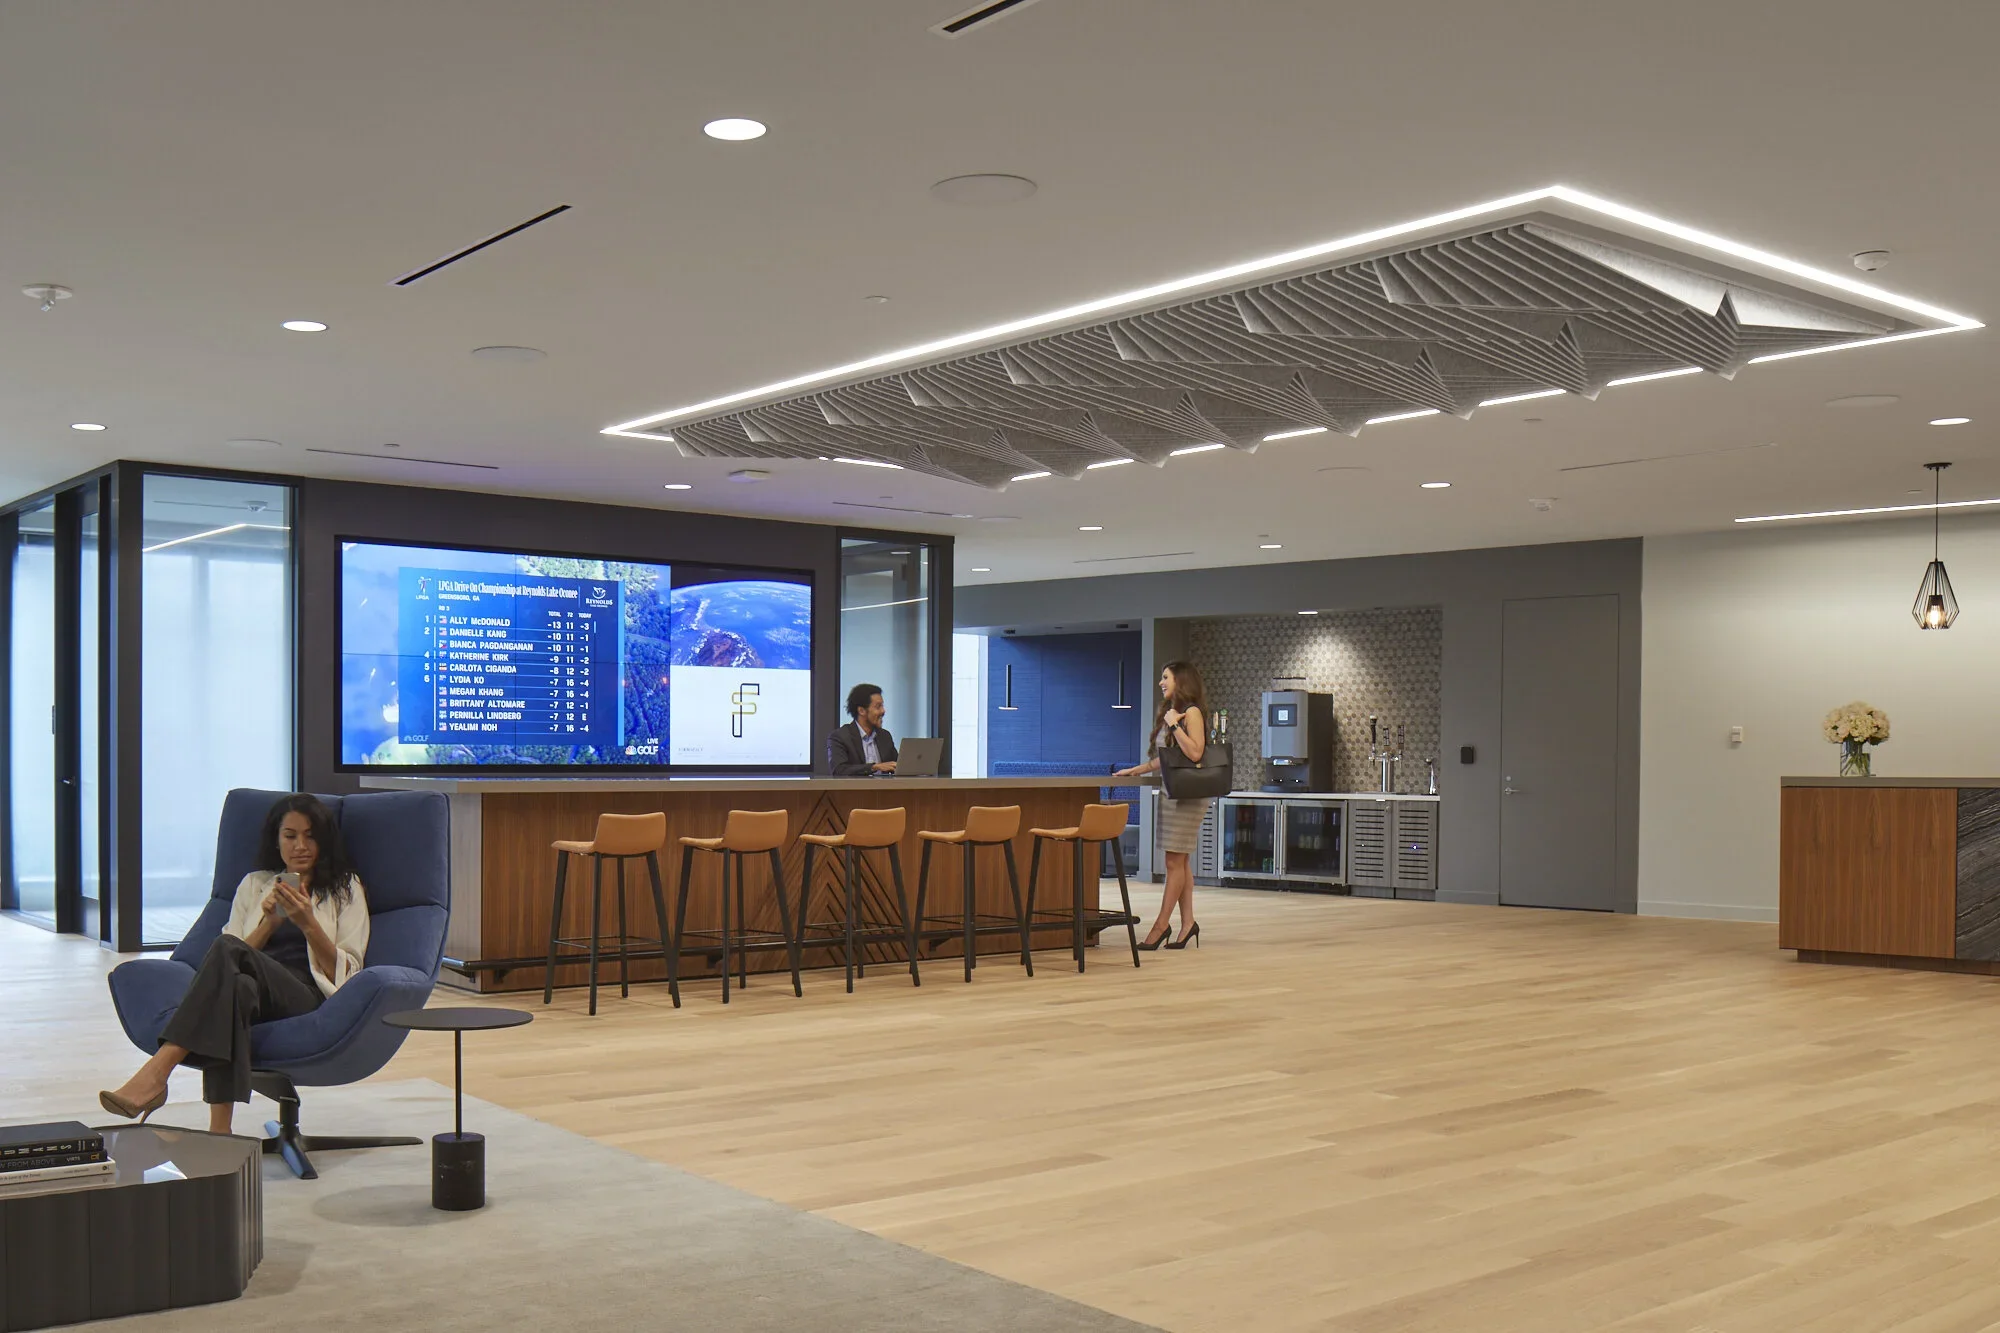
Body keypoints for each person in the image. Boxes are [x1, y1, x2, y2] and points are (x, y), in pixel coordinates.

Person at [99, 794, 370, 1134]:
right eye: (290, 836)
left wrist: (307, 923)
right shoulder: (254, 885)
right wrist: (269, 923)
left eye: (311, 835)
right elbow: (233, 956)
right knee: (237, 988)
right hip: (253, 990)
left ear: (325, 839)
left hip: (304, 994)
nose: (301, 845)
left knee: (228, 949)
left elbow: (348, 971)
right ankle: (220, 1133)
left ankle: (159, 1069)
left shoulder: (346, 888)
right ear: (277, 840)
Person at [1115, 661, 1210, 950]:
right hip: (1173, 792)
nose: (1161, 682)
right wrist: (1139, 769)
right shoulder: (1176, 713)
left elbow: (1195, 752)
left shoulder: (1191, 713)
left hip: (1187, 797)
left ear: (1180, 680)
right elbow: (1170, 758)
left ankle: (1161, 925)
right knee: (1180, 862)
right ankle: (1188, 923)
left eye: (1165, 677)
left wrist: (1174, 725)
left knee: (1173, 862)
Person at [828, 682, 899, 776]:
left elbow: (897, 766)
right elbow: (839, 770)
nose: (883, 711)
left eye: (882, 706)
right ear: (861, 710)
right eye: (878, 707)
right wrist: (874, 767)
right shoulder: (840, 737)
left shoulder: (885, 736)